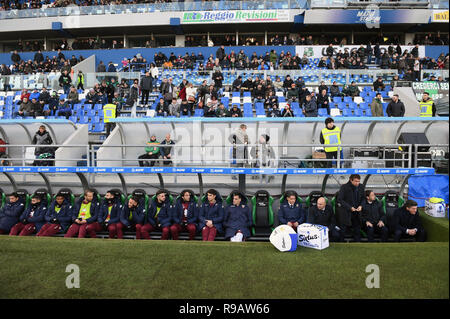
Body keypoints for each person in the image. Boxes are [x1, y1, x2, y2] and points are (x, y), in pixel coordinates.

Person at [336, 174, 365, 242]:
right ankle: (341, 244)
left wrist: (361, 206)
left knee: (357, 230)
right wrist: (349, 207)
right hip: (346, 212)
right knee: (343, 230)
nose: (357, 183)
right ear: (350, 180)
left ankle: (357, 244)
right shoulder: (344, 187)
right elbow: (340, 199)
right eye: (355, 181)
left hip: (357, 212)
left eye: (358, 181)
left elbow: (363, 198)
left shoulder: (361, 187)